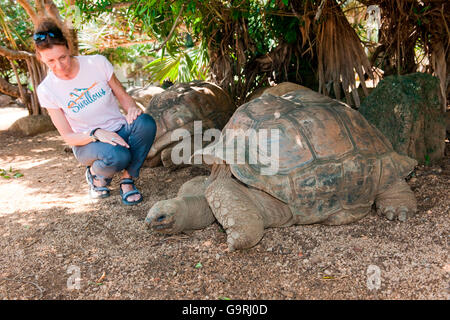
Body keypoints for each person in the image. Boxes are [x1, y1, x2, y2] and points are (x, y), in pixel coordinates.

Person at [34, 20, 157, 205]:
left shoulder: (97, 63)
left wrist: (131, 108)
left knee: (146, 123)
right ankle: (95, 175)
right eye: (51, 61)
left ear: (68, 48)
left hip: (118, 129)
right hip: (87, 143)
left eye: (63, 57)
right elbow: (68, 136)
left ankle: (127, 179)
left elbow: (123, 97)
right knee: (118, 156)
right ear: (40, 58)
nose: (59, 66)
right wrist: (96, 133)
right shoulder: (46, 90)